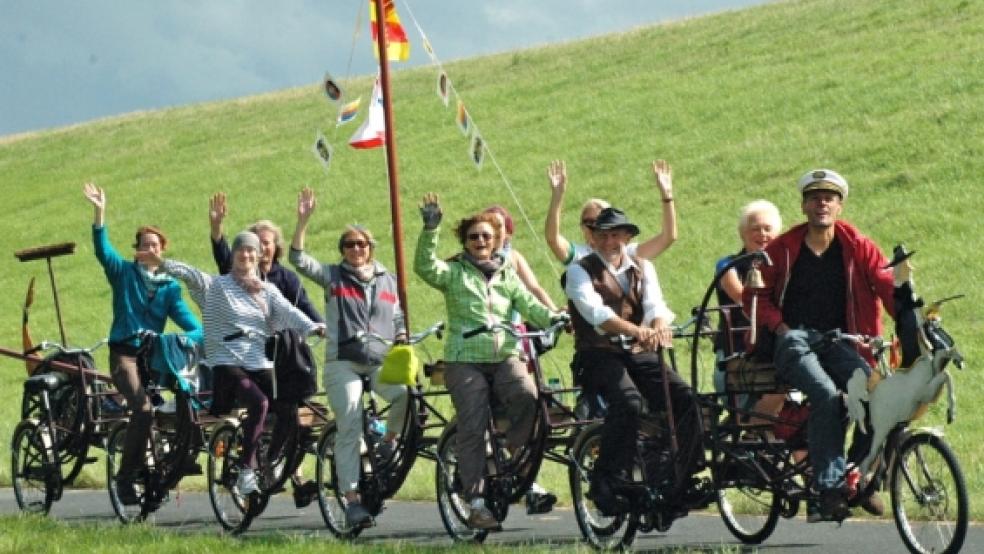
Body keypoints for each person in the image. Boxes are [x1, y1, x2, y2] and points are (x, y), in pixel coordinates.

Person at [743, 169, 894, 522]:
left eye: (829, 198)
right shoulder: (783, 248)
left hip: (840, 343)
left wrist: (910, 319)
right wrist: (779, 328)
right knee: (827, 395)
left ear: (840, 206)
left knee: (874, 394)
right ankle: (828, 489)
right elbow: (757, 296)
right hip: (794, 341)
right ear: (803, 206)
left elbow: (887, 285)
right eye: (814, 197)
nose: (821, 203)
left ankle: (854, 478)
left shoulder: (858, 246)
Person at [414, 193, 565, 530]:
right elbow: (424, 267)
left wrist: (556, 318)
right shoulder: (453, 272)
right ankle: (477, 501)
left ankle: (517, 462)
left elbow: (528, 304)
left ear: (496, 241)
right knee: (473, 421)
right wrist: (430, 230)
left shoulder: (507, 273)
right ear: (465, 242)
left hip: (504, 354)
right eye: (473, 237)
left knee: (528, 395)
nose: (480, 241)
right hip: (464, 359)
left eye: (486, 236)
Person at [139, 231, 325, 497]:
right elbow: (191, 275)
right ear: (234, 255)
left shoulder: (267, 291)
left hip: (258, 361)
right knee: (259, 402)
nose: (246, 255)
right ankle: (246, 471)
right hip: (226, 361)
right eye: (241, 250)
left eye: (251, 251)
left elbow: (289, 312)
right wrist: (164, 263)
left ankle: (269, 462)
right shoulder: (218, 286)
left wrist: (315, 327)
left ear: (259, 256)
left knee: (288, 409)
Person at [564, 207, 702, 516]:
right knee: (628, 402)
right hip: (597, 355)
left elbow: (656, 304)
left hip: (637, 352)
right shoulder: (578, 271)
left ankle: (676, 473)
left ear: (628, 237)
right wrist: (638, 330)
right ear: (593, 237)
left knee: (685, 398)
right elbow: (597, 315)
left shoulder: (643, 267)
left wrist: (659, 325)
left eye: (617, 235)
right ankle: (609, 477)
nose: (610, 241)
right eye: (603, 235)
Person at [289, 187, 408, 529]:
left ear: (371, 249)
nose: (356, 250)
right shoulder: (332, 276)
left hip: (381, 358)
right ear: (342, 250)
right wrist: (303, 220)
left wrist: (400, 335)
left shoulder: (388, 278)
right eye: (349, 245)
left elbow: (397, 315)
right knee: (351, 420)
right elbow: (298, 259)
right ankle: (352, 499)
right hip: (344, 361)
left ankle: (388, 443)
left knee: (405, 396)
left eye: (362, 245)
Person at [82, 183, 203, 505]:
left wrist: (182, 338)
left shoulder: (170, 287)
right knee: (144, 409)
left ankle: (175, 459)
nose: (150, 249)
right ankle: (125, 478)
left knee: (188, 402)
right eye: (145, 244)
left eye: (156, 245)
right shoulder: (123, 273)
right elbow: (102, 250)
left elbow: (194, 328)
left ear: (162, 251)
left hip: (154, 357)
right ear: (136, 249)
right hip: (125, 355)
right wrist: (100, 213)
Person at [482, 205, 560, 513]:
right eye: (490, 228)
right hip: (486, 343)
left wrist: (555, 314)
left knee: (531, 405)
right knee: (497, 412)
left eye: (500, 229)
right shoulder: (475, 262)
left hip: (517, 341)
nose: (496, 234)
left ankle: (528, 481)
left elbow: (534, 287)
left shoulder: (513, 258)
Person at [208, 192, 323, 324]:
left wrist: (323, 326)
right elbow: (221, 252)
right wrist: (216, 226)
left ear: (276, 246)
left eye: (266, 243)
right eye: (257, 242)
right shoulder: (238, 273)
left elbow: (304, 306)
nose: (261, 247)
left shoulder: (287, 278)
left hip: (280, 340)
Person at [545, 159, 677, 266]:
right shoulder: (579, 256)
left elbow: (668, 237)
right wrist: (557, 196)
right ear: (581, 227)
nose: (594, 226)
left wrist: (667, 196)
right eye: (588, 222)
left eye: (599, 219)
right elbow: (552, 238)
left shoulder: (627, 253)